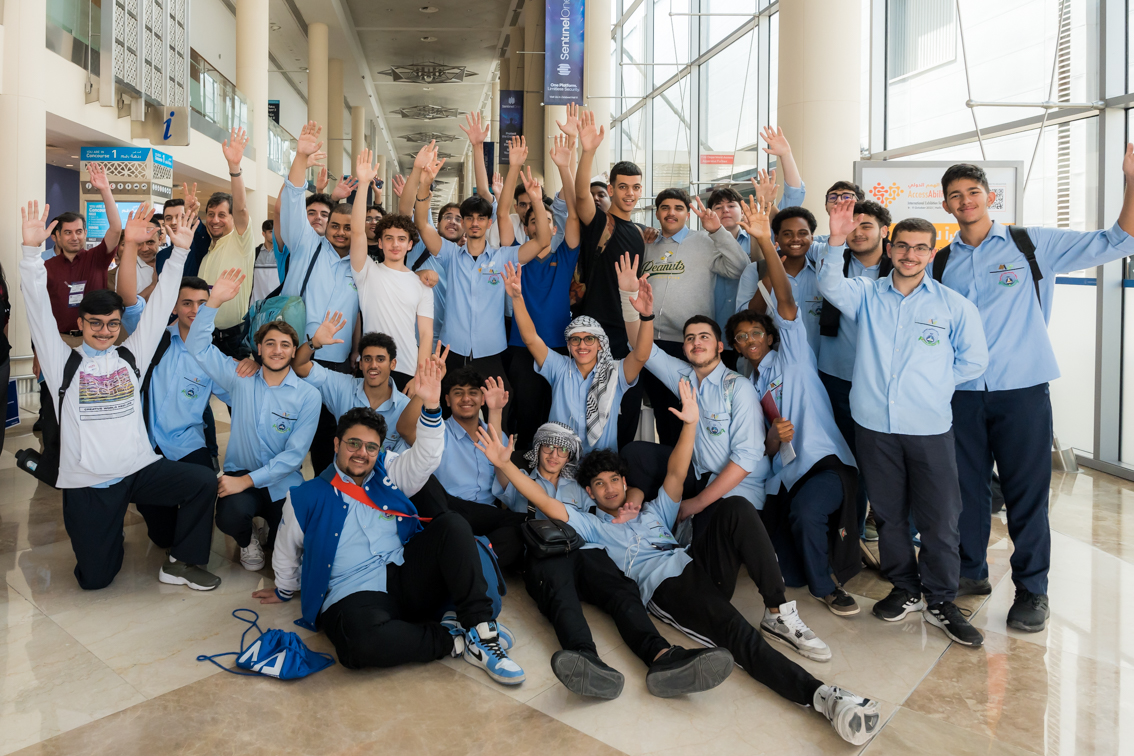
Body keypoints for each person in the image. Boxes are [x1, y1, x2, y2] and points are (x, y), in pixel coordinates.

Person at [476, 386, 880, 746]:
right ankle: (822, 696)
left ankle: (779, 609)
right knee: (737, 635)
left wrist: (691, 424)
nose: (610, 488)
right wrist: (507, 465)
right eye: (599, 485)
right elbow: (546, 504)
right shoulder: (591, 526)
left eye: (614, 480)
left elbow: (676, 471)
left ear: (623, 480)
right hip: (668, 588)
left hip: (696, 565)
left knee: (735, 507)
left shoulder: (652, 509)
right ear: (589, 493)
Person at [934, 157, 1134, 632]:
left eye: (973, 192)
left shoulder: (1032, 244)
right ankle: (970, 570)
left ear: (990, 197)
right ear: (946, 205)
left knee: (1025, 493)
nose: (966, 201)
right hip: (961, 392)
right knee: (966, 491)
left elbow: (1118, 240)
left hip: (1022, 391)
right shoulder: (941, 260)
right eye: (956, 196)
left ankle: (1032, 590)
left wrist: (1130, 182)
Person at [255, 391, 526, 685]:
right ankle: (453, 639)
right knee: (358, 646)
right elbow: (285, 548)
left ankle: (483, 631)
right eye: (354, 444)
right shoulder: (303, 496)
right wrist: (284, 587)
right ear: (336, 444)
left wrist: (433, 406)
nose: (362, 453)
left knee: (452, 524)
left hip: (405, 573)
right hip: (353, 591)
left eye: (371, 447)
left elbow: (426, 458)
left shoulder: (388, 469)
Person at [20, 200, 220, 591]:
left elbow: (162, 302)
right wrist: (30, 255)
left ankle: (181, 562)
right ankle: (105, 540)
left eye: (112, 324)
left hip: (139, 470)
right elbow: (38, 310)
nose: (105, 330)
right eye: (95, 323)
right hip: (89, 483)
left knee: (202, 481)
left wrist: (180, 252)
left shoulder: (131, 356)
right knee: (95, 579)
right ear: (81, 323)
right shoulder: (64, 362)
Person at [817, 201, 988, 647]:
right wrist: (837, 236)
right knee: (890, 515)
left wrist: (933, 385)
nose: (910, 255)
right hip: (874, 424)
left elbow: (974, 360)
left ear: (932, 254)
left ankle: (941, 599)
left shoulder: (954, 305)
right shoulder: (867, 294)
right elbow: (829, 283)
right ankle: (905, 588)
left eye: (920, 248)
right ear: (890, 248)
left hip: (928, 425)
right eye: (903, 246)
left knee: (939, 519)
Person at [496, 421, 735, 699]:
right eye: (548, 447)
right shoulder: (525, 479)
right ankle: (586, 658)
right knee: (562, 598)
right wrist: (505, 464)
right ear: (537, 450)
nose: (554, 454)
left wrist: (633, 501)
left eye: (562, 449)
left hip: (588, 550)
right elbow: (542, 501)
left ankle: (662, 656)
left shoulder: (578, 483)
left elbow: (621, 492)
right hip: (547, 553)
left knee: (623, 591)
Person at [727, 196, 861, 616]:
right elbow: (761, 447)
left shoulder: (794, 356)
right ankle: (808, 570)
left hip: (823, 465)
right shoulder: (750, 383)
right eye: (742, 338)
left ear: (771, 336)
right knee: (787, 573)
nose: (751, 341)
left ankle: (828, 589)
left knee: (806, 515)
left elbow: (785, 301)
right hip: (785, 473)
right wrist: (770, 438)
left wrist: (768, 243)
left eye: (757, 334)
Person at [185, 268, 321, 572]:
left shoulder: (308, 396)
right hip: (241, 472)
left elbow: (294, 456)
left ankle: (270, 532)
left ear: (293, 351)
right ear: (258, 348)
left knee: (298, 533)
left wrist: (244, 482)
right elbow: (197, 348)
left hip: (283, 480)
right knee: (229, 516)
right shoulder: (240, 379)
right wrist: (214, 302)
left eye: (285, 345)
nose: (277, 350)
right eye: (270, 343)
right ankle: (247, 541)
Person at [409, 143, 550, 422]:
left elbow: (543, 241)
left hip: (490, 353)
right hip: (452, 350)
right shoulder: (450, 255)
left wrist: (536, 199)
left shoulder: (503, 258)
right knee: (443, 409)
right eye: (469, 218)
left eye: (481, 218)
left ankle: (492, 459)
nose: (474, 223)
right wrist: (424, 185)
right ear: (463, 222)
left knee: (500, 407)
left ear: (488, 224)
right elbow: (424, 225)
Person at [621, 299, 771, 546]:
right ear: (684, 349)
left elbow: (745, 460)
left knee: (701, 543)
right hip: (698, 474)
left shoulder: (738, 387)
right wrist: (639, 311)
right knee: (634, 455)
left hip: (738, 486)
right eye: (690, 338)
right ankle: (646, 516)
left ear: (720, 347)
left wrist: (696, 503)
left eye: (704, 337)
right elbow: (642, 348)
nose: (696, 342)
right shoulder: (684, 377)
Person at [507, 254, 651, 456]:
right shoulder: (559, 367)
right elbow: (530, 338)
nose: (582, 345)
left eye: (589, 339)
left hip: (599, 467)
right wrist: (517, 298)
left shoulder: (615, 372)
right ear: (569, 344)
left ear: (601, 344)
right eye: (576, 339)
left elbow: (642, 355)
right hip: (559, 463)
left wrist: (643, 314)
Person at [281, 121, 362, 476]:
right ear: (324, 226)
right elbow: (294, 197)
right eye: (335, 226)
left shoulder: (362, 267)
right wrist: (301, 157)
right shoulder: (305, 246)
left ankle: (326, 501)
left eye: (348, 228)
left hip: (336, 367)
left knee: (328, 441)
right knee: (285, 436)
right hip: (294, 357)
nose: (341, 233)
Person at [811, 200, 892, 552]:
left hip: (885, 384)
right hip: (837, 379)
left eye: (866, 226)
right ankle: (851, 537)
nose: (857, 233)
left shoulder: (901, 269)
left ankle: (896, 544)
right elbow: (779, 232)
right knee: (847, 464)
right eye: (852, 226)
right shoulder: (833, 261)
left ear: (884, 230)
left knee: (887, 467)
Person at [642, 188, 748, 445]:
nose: (671, 213)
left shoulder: (704, 241)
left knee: (687, 414)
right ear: (657, 213)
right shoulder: (648, 244)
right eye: (665, 207)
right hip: (650, 341)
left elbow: (740, 268)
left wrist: (716, 231)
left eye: (679, 208)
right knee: (660, 410)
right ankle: (668, 468)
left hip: (688, 344)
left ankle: (688, 474)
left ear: (687, 214)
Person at [500, 135, 581, 449]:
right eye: (534, 221)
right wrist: (516, 168)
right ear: (527, 227)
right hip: (521, 349)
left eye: (548, 220)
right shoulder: (514, 255)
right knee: (527, 418)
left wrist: (565, 166)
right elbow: (501, 213)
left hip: (560, 349)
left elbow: (573, 216)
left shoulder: (564, 256)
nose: (542, 225)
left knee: (558, 420)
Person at [573, 110, 647, 446]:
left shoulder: (639, 232)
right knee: (590, 409)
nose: (629, 193)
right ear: (612, 190)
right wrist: (587, 151)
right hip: (596, 332)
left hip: (627, 335)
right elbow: (581, 199)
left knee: (626, 408)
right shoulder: (602, 223)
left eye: (635, 187)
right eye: (622, 187)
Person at [416, 366, 529, 568]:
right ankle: (475, 561)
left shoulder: (496, 437)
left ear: (482, 399)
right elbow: (405, 429)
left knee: (523, 527)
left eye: (473, 392)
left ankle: (468, 562)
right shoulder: (436, 431)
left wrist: (495, 411)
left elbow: (504, 486)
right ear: (447, 400)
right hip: (448, 510)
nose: (466, 398)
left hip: (485, 515)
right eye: (458, 393)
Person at [349, 149, 433, 393]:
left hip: (407, 369)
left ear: (409, 245)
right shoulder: (366, 272)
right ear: (381, 242)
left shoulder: (422, 285)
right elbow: (356, 231)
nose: (395, 244)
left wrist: (420, 376)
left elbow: (426, 335)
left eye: (401, 239)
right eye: (389, 238)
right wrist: (363, 184)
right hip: (372, 367)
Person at [293, 313, 411, 453]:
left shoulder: (406, 407)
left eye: (380, 359)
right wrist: (314, 342)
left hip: (384, 475)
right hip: (342, 474)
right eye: (367, 359)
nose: (373, 365)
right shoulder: (343, 387)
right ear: (360, 364)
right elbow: (299, 366)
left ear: (393, 364)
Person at [191, 128, 257, 358]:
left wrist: (234, 169)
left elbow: (241, 208)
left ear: (232, 219)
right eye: (210, 214)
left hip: (233, 340)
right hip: (206, 335)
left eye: (222, 215)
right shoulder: (210, 250)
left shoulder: (240, 242)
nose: (215, 220)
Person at [44, 163, 121, 342]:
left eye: (79, 232)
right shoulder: (48, 266)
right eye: (68, 232)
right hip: (59, 340)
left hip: (95, 340)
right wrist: (38, 349)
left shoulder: (97, 257)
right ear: (57, 237)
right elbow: (40, 309)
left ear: (85, 233)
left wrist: (105, 190)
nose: (74, 237)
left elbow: (116, 229)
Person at [737, 206, 823, 356]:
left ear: (812, 237)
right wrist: (769, 276)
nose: (795, 239)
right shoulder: (755, 270)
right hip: (769, 365)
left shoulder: (823, 274)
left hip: (817, 365)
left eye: (802, 233)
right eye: (787, 234)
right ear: (776, 237)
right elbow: (747, 321)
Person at [251, 219, 281, 303]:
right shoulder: (255, 253)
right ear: (263, 234)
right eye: (271, 232)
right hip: (256, 304)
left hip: (276, 303)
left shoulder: (282, 254)